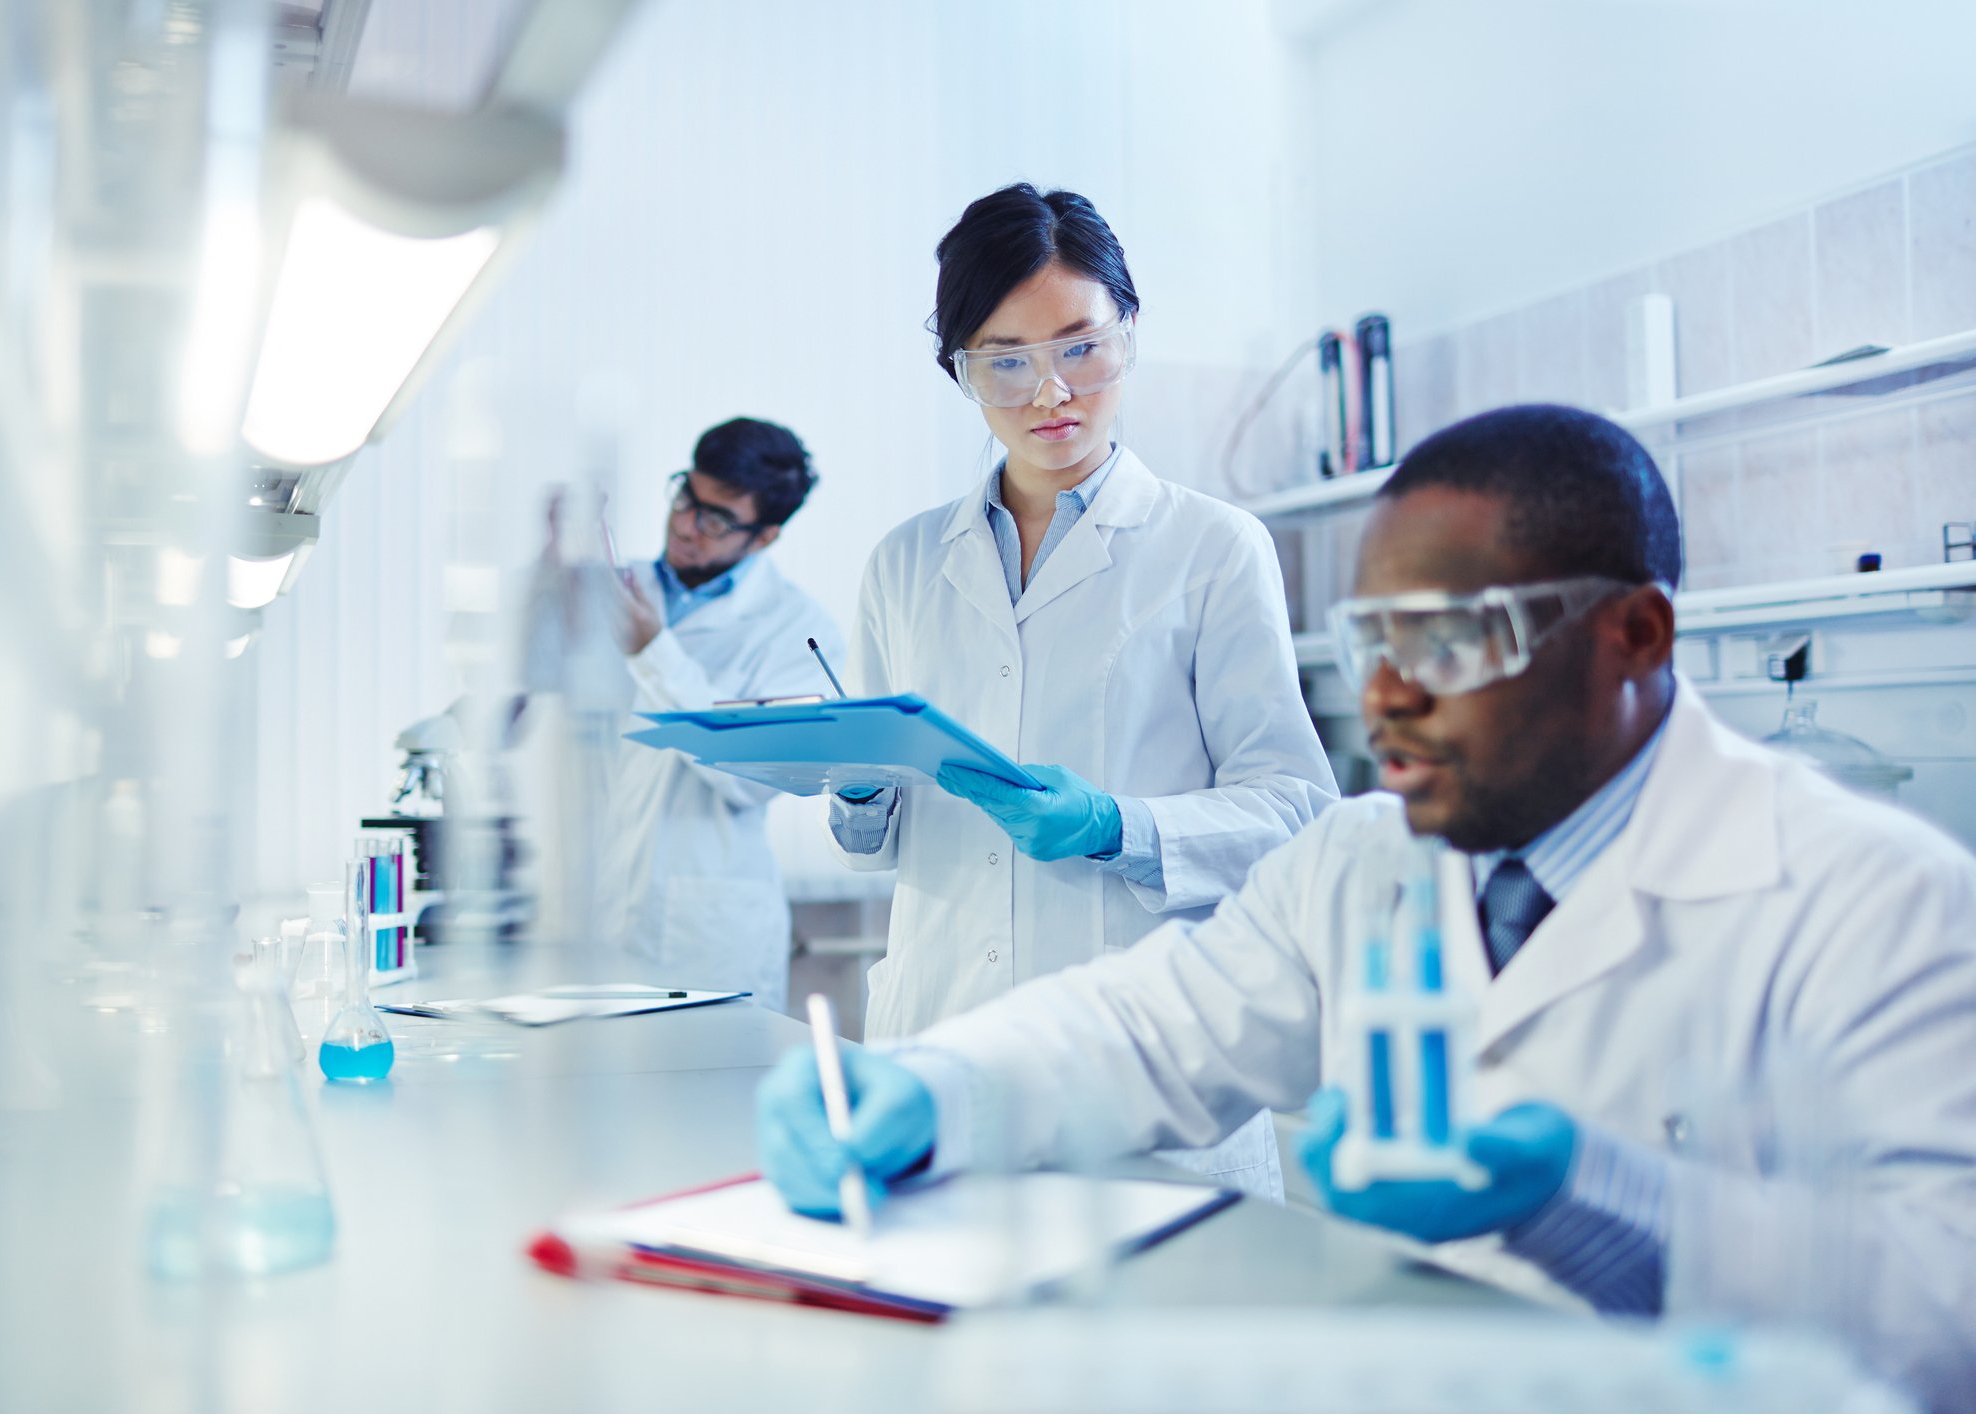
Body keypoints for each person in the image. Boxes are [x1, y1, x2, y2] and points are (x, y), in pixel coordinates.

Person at [760, 404, 1976, 1411]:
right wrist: (933, 1087)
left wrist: (1602, 1204)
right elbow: (1143, 1026)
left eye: (1445, 639)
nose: (1386, 695)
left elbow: (1951, 1309)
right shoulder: (1363, 858)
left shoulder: (1874, 899)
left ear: (1635, 634)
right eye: (1369, 639)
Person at [828, 182, 1336, 1053]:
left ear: (1128, 335)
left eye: (1081, 348)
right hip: (939, 1029)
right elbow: (868, 843)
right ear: (961, 372)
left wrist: (1115, 826)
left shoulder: (1212, 546)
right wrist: (857, 792)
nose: (1049, 392)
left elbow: (1294, 811)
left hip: (1139, 1041)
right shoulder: (904, 562)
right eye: (1005, 359)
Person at [524, 417, 843, 1012]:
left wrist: (652, 650)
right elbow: (527, 683)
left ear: (765, 536)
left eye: (716, 518)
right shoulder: (620, 588)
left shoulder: (797, 632)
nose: (685, 526)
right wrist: (550, 569)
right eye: (685, 498)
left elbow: (751, 778)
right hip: (585, 916)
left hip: (704, 939)